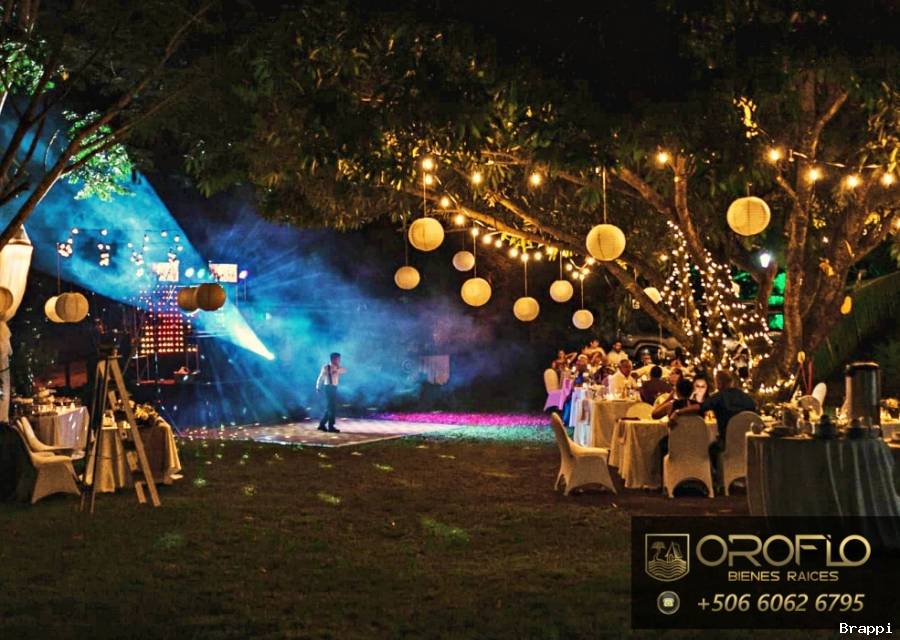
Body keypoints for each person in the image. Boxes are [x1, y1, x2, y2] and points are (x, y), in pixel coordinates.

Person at [674, 370, 755, 491]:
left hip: (726, 442)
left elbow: (699, 407)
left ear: (719, 383)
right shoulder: (747, 398)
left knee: (710, 448)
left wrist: (678, 412)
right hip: (747, 442)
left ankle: (718, 480)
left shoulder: (719, 397)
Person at [316, 352, 346, 432]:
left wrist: (337, 369)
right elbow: (321, 377)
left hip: (334, 388)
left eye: (339, 359)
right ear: (333, 359)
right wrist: (318, 387)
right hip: (328, 388)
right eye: (338, 359)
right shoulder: (326, 367)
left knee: (330, 408)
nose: (339, 360)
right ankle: (330, 426)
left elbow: (344, 370)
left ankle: (322, 425)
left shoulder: (338, 367)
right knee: (331, 408)